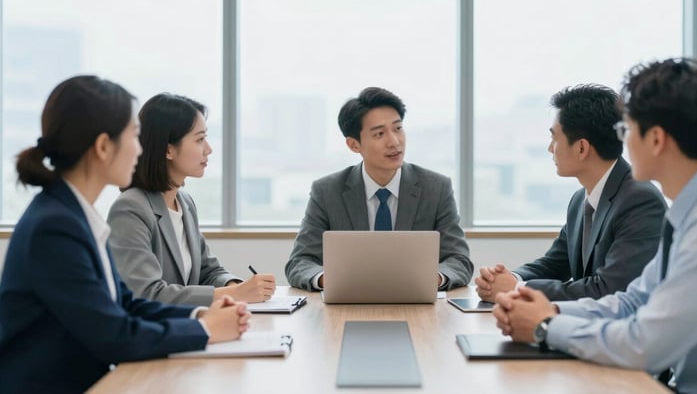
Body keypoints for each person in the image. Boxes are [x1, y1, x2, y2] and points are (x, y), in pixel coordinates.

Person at [493, 59, 697, 393]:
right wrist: (548, 309)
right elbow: (632, 302)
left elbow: (645, 343)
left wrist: (547, 326)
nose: (621, 143)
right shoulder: (695, 210)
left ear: (656, 139)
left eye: (626, 130)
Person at [0, 76, 250, 394]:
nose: (141, 148)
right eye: (134, 135)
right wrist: (203, 329)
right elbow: (114, 335)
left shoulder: (75, 215)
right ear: (104, 147)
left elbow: (127, 304)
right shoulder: (54, 227)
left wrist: (202, 313)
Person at [475, 85, 666, 301]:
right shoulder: (580, 200)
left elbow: (610, 289)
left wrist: (517, 288)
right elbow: (555, 264)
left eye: (555, 138)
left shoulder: (640, 200)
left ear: (581, 148)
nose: (550, 148)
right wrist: (509, 279)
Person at [285, 87, 473, 291]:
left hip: (416, 301)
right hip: (349, 301)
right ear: (354, 145)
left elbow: (459, 260)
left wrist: (432, 279)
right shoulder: (327, 191)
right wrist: (328, 280)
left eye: (398, 128)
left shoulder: (436, 188)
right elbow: (300, 262)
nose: (394, 142)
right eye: (380, 134)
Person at [108, 93, 275, 305]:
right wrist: (235, 294)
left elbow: (208, 271)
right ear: (168, 150)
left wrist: (235, 286)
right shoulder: (130, 208)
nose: (209, 149)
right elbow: (145, 293)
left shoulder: (184, 202)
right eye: (199, 139)